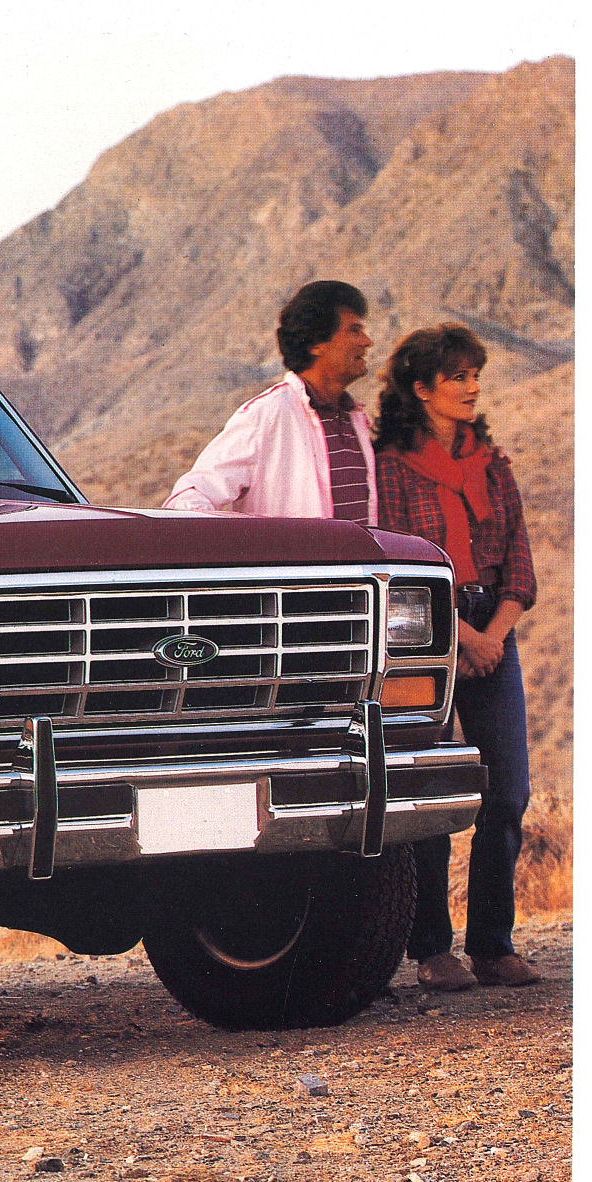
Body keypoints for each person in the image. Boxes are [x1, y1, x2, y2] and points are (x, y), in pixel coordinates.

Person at [373, 324, 538, 991]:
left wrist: (493, 632)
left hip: (493, 634)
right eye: (458, 377)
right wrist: (460, 638)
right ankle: (431, 949)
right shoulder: (389, 466)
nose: (473, 388)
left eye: (476, 375)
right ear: (420, 388)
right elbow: (389, 561)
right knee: (432, 791)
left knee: (510, 789)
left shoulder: (491, 462)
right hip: (424, 640)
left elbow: (519, 560)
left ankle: (494, 944)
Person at [164, 279, 376, 521]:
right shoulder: (268, 414)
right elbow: (190, 497)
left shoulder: (354, 419)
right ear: (317, 344)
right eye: (354, 330)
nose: (366, 341)